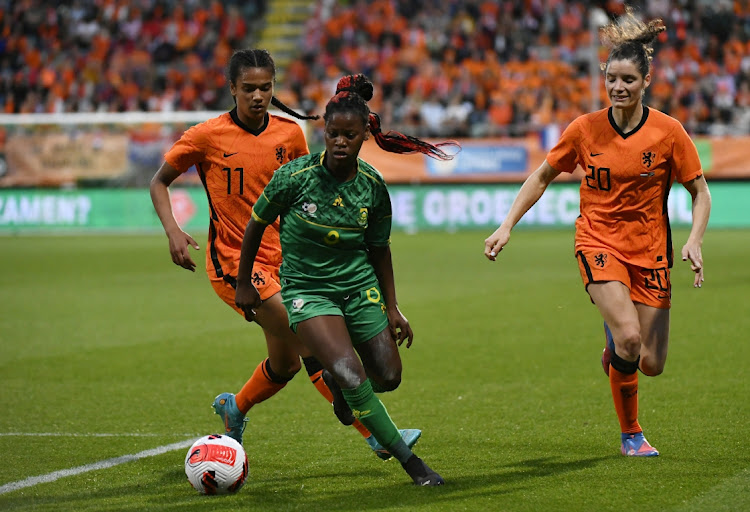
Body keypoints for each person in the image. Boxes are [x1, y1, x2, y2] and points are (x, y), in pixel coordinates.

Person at [150, 49, 420, 459]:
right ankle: (378, 434)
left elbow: (310, 188)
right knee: (312, 343)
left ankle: (234, 407)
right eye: (249, 89)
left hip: (289, 262)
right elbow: (159, 181)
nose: (258, 96)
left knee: (286, 364)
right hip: (236, 264)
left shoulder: (290, 134)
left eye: (265, 87)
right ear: (232, 89)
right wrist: (172, 230)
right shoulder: (206, 136)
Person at [483, 9, 711, 457]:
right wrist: (507, 224)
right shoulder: (585, 129)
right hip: (599, 241)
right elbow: (542, 176)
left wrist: (694, 238)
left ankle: (616, 348)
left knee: (650, 363)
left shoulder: (669, 132)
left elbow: (700, 193)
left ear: (646, 81)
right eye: (611, 79)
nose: (618, 87)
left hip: (651, 250)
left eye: (628, 79)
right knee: (629, 337)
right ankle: (632, 434)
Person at [234, 74, 459, 485]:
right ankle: (414, 466)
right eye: (333, 134)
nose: (340, 142)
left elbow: (380, 249)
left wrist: (391, 307)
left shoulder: (373, 186)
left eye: (349, 136)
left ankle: (340, 387)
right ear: (324, 132)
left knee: (389, 376)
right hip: (308, 292)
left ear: (363, 137)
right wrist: (245, 282)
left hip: (358, 287)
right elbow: (255, 225)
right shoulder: (294, 177)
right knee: (354, 375)